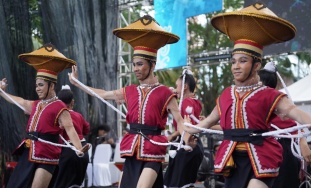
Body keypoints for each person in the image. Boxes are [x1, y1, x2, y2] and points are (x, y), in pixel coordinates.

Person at [184, 3, 311, 188]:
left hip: (261, 159)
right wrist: (189, 128)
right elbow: (210, 120)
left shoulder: (269, 94)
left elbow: (293, 112)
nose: (236, 66)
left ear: (257, 65)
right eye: (233, 61)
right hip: (232, 161)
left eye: (243, 61)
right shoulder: (227, 94)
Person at [69, 15, 190, 188]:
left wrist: (187, 136)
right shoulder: (129, 91)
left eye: (140, 64)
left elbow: (179, 121)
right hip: (132, 148)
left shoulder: (165, 92)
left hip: (153, 150)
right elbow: (102, 94)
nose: (136, 69)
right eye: (134, 64)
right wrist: (78, 83)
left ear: (152, 65)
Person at [0, 43, 89, 188]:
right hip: (29, 153)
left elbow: (70, 129)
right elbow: (19, 101)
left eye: (41, 85)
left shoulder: (60, 106)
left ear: (52, 86)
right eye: (36, 85)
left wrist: (79, 149)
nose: (37, 89)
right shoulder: (36, 105)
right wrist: (1, 92)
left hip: (47, 156)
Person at [258, 62, 311, 188]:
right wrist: (208, 124)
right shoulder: (252, 104)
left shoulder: (278, 103)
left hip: (282, 154)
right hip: (261, 152)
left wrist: (303, 144)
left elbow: (297, 125)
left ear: (261, 84)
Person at [164, 71, 204, 187]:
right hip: (191, 143)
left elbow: (186, 126)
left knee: (177, 183)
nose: (175, 88)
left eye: (177, 85)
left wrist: (172, 135)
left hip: (185, 143)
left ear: (184, 87)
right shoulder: (196, 102)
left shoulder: (187, 102)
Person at [52, 85, 90, 188]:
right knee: (76, 185)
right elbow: (87, 129)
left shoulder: (56, 116)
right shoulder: (79, 116)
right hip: (83, 150)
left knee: (61, 184)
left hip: (67, 151)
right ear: (72, 102)